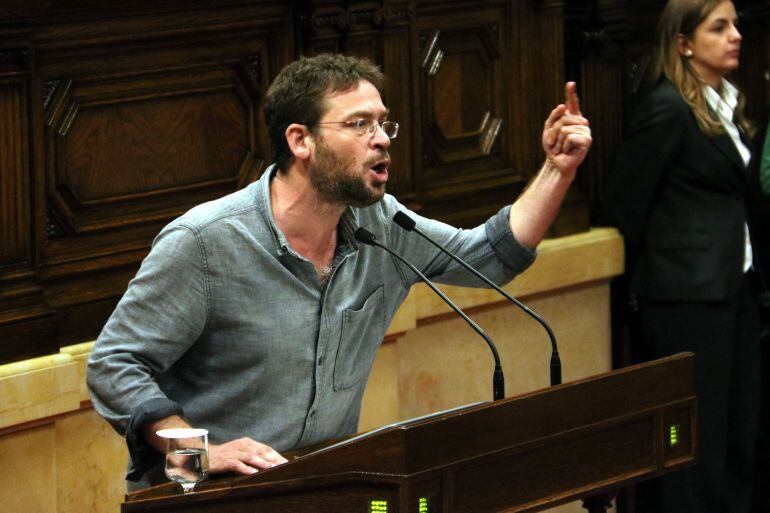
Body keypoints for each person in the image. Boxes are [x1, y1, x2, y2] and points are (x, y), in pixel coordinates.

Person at [86, 53, 591, 490]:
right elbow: (113, 365)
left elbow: (488, 257)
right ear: (300, 140)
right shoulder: (205, 242)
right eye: (358, 125)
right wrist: (198, 454)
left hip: (324, 488)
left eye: (383, 124)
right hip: (210, 496)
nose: (381, 140)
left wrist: (557, 169)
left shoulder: (384, 226)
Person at [605, 2, 763, 512]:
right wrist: (636, 290)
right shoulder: (668, 108)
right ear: (684, 43)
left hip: (734, 287)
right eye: (719, 27)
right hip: (684, 298)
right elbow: (625, 203)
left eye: (735, 25)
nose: (735, 36)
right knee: (698, 438)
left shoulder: (726, 103)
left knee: (740, 430)